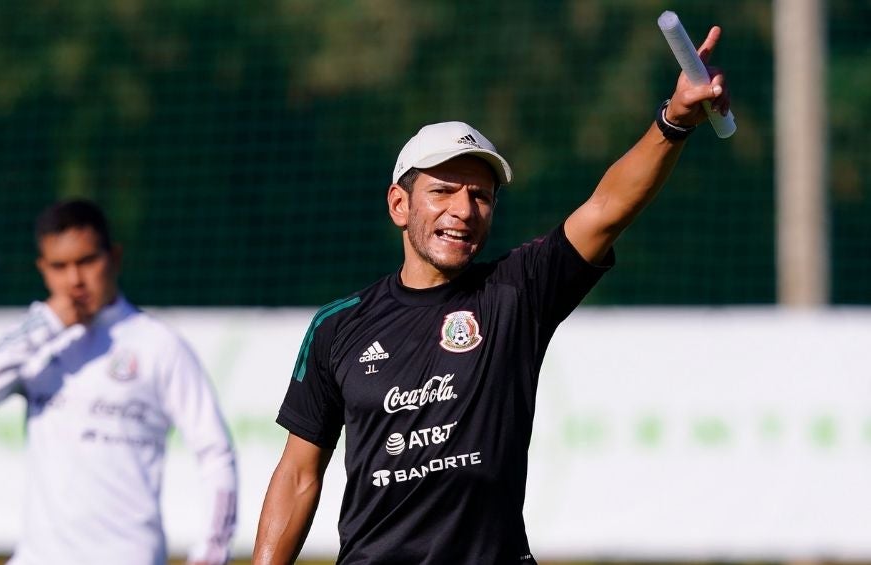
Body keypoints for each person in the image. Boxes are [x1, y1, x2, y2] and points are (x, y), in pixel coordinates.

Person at [253, 27, 732, 565]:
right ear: (399, 205)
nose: (463, 209)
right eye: (442, 191)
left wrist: (673, 122)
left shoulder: (516, 291)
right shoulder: (338, 327)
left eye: (480, 195)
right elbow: (297, 475)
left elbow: (606, 209)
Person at [0, 200, 237, 565]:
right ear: (43, 270)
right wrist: (47, 324)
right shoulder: (35, 342)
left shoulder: (158, 345)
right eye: (59, 266)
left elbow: (215, 452)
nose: (74, 280)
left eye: (87, 261)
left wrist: (211, 552)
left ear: (114, 258)